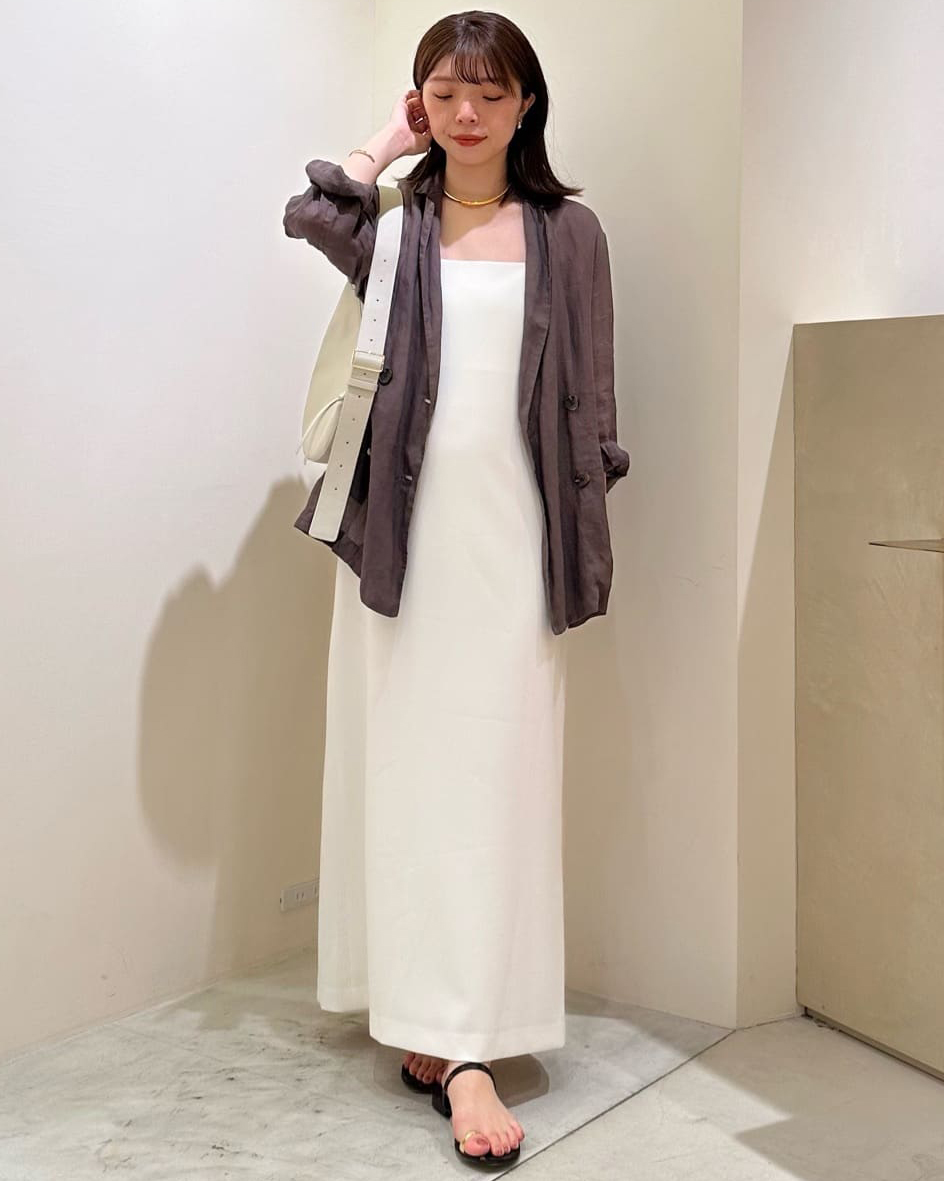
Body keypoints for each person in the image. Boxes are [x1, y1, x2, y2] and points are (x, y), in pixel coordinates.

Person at [282, 11, 630, 1169]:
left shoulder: (570, 232)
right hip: (401, 538)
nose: (465, 112)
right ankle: (434, 1027)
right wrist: (384, 144)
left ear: (526, 103)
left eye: (488, 91)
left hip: (515, 540)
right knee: (408, 767)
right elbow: (309, 214)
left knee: (500, 776)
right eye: (442, 91)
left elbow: (593, 398)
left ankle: (470, 1028)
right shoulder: (397, 219)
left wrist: (583, 507)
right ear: (419, 100)